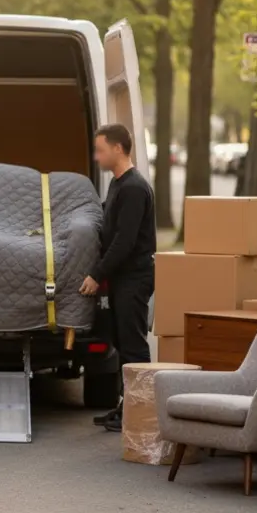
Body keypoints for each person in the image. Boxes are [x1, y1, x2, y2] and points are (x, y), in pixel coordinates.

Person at [79, 123, 156, 433]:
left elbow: (124, 241)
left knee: (134, 347)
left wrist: (96, 274)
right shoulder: (118, 184)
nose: (96, 157)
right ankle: (127, 409)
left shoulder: (134, 188)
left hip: (135, 279)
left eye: (100, 150)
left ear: (118, 148)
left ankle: (142, 414)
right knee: (122, 343)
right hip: (123, 279)